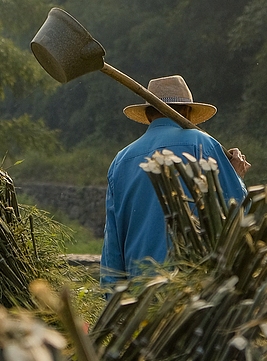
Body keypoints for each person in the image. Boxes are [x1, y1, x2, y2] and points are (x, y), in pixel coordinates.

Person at [101, 75, 250, 285]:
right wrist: (236, 176)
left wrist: (113, 306)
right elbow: (237, 216)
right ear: (187, 111)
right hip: (193, 293)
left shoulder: (121, 161)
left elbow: (112, 250)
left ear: (149, 114)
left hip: (138, 300)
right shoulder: (205, 146)